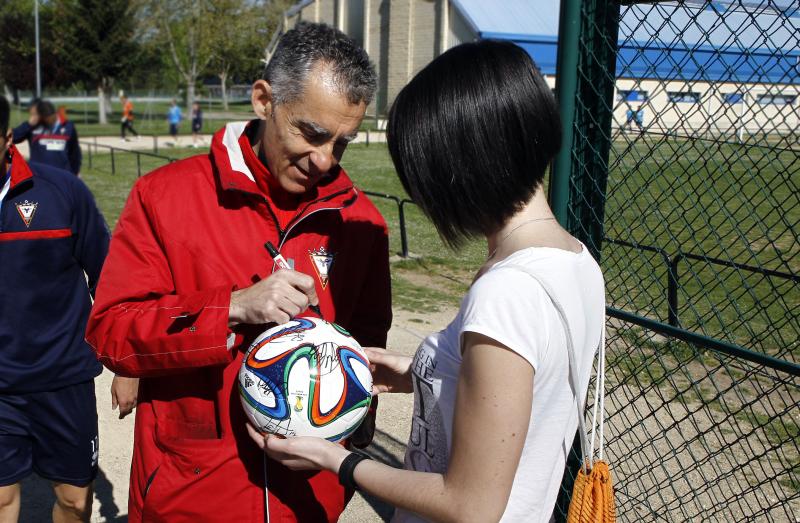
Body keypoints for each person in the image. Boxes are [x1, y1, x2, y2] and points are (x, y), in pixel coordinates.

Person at [250, 40, 606, 523]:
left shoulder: (507, 292)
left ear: (461, 169)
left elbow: (470, 505)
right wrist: (420, 371)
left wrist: (337, 460)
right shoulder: (576, 262)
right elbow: (521, 395)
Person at [86, 22, 391, 522]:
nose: (324, 160)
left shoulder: (362, 224)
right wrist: (230, 308)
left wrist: (349, 444)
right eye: (311, 134)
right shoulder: (165, 198)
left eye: (342, 143)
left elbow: (368, 351)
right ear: (264, 99)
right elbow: (109, 331)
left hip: (308, 502)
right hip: (191, 498)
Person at [0, 95, 110, 522]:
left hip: (63, 379)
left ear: (8, 139)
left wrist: (130, 369)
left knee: (74, 500)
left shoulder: (64, 192)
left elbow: (109, 278)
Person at [13, 98, 82, 176]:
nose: (33, 116)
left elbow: (75, 153)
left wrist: (74, 173)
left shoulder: (68, 126)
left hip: (63, 176)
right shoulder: (33, 127)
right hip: (39, 177)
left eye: (35, 114)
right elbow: (13, 138)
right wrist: (28, 125)